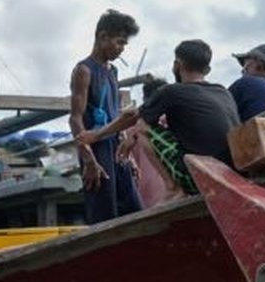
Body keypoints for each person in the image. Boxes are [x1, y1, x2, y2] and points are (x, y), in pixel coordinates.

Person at [80, 40, 240, 193]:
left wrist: (96, 135)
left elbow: (132, 117)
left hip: (199, 177)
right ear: (207, 70)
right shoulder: (223, 92)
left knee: (142, 127)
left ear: (178, 64)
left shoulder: (172, 91)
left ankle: (173, 189)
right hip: (233, 174)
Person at [69, 9, 143, 224]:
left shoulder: (113, 71)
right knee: (104, 215)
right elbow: (75, 118)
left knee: (133, 209)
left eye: (124, 45)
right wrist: (89, 160)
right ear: (102, 37)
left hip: (116, 148)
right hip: (95, 149)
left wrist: (128, 156)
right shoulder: (84, 70)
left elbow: (115, 116)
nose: (121, 50)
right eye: (119, 43)